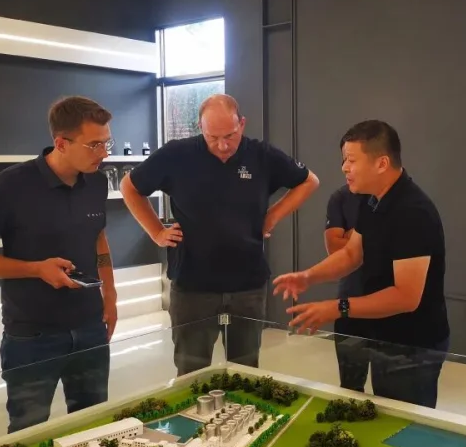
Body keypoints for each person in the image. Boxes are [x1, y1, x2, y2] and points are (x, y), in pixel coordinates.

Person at [120, 94, 319, 375]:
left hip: (247, 284)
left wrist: (272, 216)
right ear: (199, 127)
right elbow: (130, 187)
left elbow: (309, 181)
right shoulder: (176, 154)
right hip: (192, 285)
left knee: (246, 370)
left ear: (242, 124)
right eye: (213, 137)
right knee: (191, 369)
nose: (223, 145)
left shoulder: (262, 155)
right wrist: (156, 232)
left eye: (230, 136)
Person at [0, 96, 116, 433]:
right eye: (94, 145)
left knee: (92, 427)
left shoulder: (97, 181)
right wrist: (36, 269)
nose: (103, 153)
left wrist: (111, 297)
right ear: (61, 143)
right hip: (32, 334)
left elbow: (98, 238)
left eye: (106, 142)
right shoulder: (11, 185)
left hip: (90, 326)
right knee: (28, 432)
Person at [273, 120, 448, 408]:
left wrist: (337, 307)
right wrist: (308, 277)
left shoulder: (412, 212)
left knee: (401, 423)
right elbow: (352, 254)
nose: (344, 168)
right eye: (344, 160)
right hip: (382, 336)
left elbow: (406, 297)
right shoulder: (372, 201)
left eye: (351, 160)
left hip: (412, 348)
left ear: (382, 163)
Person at [325, 184, 371, 392]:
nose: (346, 169)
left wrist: (351, 237)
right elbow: (335, 249)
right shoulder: (340, 197)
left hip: (390, 305)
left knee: (392, 392)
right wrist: (365, 236)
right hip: (350, 302)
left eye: (352, 164)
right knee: (351, 386)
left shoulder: (399, 200)